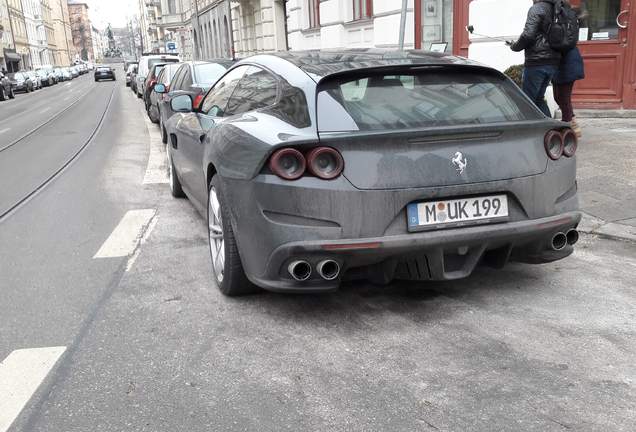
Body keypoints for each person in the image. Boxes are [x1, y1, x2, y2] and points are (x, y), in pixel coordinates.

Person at [509, 0, 562, 117]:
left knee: (528, 101)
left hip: (537, 61)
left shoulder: (537, 8)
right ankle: (550, 127)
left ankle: (527, 131)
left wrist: (515, 46)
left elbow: (528, 34)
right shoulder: (558, 8)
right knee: (538, 99)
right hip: (553, 61)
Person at [553, 2, 585, 137]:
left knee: (563, 97)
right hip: (562, 61)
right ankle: (571, 122)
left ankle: (568, 128)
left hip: (567, 61)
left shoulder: (564, 17)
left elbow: (561, 41)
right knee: (558, 97)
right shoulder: (565, 15)